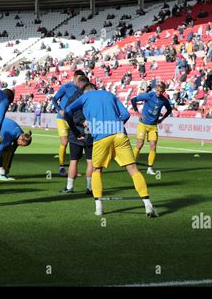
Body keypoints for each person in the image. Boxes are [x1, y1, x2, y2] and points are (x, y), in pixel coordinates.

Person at [65, 88, 158, 217]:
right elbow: (126, 115)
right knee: (133, 169)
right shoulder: (110, 95)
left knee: (97, 170)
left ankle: (99, 207)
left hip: (101, 137)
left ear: (87, 90)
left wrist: (75, 131)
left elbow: (67, 111)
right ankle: (148, 204)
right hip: (120, 134)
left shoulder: (85, 97)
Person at [130, 82, 172, 175]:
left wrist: (162, 119)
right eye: (157, 91)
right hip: (143, 124)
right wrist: (138, 113)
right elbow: (133, 100)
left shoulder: (164, 100)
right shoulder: (149, 95)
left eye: (161, 91)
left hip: (153, 126)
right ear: (155, 89)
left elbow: (169, 109)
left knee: (153, 146)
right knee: (139, 144)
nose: (159, 93)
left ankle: (150, 168)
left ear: (163, 91)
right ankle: (131, 165)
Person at [61, 82, 95, 194]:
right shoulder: (93, 98)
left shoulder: (74, 98)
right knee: (90, 161)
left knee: (73, 161)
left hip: (76, 132)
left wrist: (77, 125)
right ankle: (90, 188)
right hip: (90, 131)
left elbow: (67, 114)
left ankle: (69, 187)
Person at [52, 70, 86, 177]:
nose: (80, 81)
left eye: (82, 79)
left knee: (75, 143)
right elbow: (54, 99)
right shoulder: (66, 87)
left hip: (74, 120)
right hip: (62, 118)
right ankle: (61, 167)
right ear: (74, 77)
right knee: (64, 142)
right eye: (78, 78)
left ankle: (73, 169)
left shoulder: (83, 89)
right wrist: (59, 109)